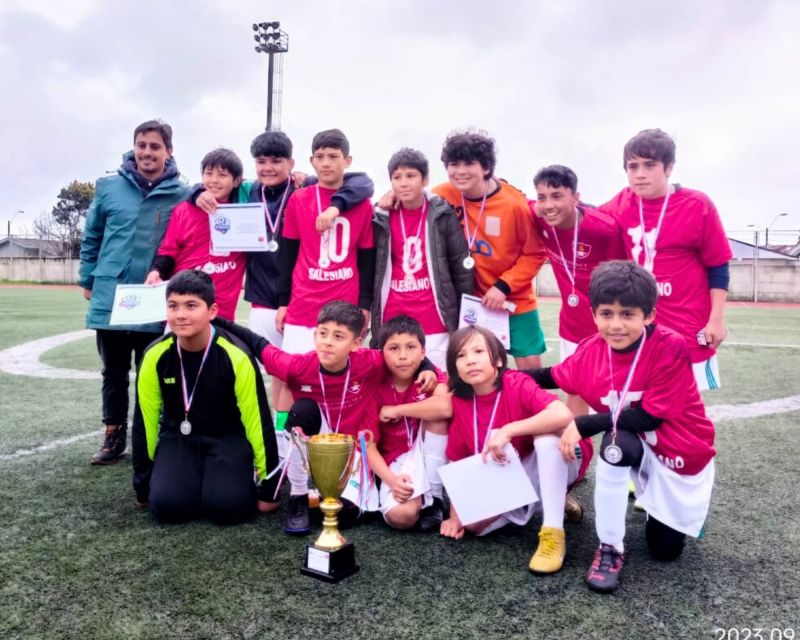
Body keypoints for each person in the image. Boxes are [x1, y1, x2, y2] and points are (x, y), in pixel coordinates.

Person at [527, 261, 716, 593]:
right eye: (607, 313)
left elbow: (649, 418)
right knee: (615, 444)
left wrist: (583, 424)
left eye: (627, 314)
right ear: (594, 314)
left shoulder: (668, 347)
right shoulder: (591, 350)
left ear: (649, 315)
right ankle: (610, 547)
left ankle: (654, 504)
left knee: (665, 552)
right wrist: (498, 374)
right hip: (633, 445)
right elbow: (551, 376)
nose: (616, 324)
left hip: (679, 451)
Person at [192, 131, 375, 433]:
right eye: (261, 161)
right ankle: (281, 439)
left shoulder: (314, 188)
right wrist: (195, 192)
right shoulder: (248, 191)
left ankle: (332, 444)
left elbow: (362, 183)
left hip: (331, 301)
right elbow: (216, 184)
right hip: (277, 299)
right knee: (286, 374)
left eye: (276, 161)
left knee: (335, 376)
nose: (268, 167)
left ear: (291, 164)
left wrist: (364, 304)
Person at [213, 300, 439, 535]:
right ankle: (299, 496)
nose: (328, 341)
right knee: (303, 410)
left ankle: (343, 494)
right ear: (315, 335)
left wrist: (427, 366)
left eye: (339, 336)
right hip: (317, 443)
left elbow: (402, 355)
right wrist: (216, 320)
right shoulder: (299, 366)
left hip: (355, 455)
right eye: (323, 333)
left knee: (345, 516)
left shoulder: (371, 362)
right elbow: (257, 343)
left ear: (356, 344)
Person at [78, 119, 191, 466]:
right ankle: (113, 435)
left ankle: (148, 435)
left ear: (168, 152)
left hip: (154, 299)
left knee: (152, 371)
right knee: (113, 372)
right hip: (111, 295)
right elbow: (92, 236)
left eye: (155, 146)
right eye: (142, 145)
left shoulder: (184, 193)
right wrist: (87, 278)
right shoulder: (109, 187)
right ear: (133, 147)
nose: (147, 152)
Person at [131, 270, 281, 524]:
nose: (180, 314)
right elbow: (144, 423)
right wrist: (143, 486)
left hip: (227, 437)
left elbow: (258, 423)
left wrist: (270, 489)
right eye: (173, 306)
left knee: (228, 510)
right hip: (178, 436)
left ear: (211, 311)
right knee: (167, 508)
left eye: (191, 306)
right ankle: (186, 479)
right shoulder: (155, 355)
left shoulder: (236, 356)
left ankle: (236, 477)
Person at [439, 325, 587, 575]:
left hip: (563, 454)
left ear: (497, 359)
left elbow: (562, 415)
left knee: (545, 436)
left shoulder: (515, 382)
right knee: (473, 524)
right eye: (460, 356)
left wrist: (508, 429)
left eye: (478, 351)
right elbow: (457, 462)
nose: (470, 360)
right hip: (510, 471)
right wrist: (456, 515)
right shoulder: (461, 401)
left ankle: (553, 533)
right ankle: (551, 498)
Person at [598, 129, 733, 390]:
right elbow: (587, 218)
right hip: (639, 325)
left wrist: (716, 320)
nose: (639, 173)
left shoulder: (697, 205)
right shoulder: (622, 201)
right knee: (639, 404)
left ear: (669, 167)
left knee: (686, 410)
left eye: (650, 165)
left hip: (687, 325)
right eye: (632, 166)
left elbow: (718, 265)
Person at [430, 129, 548, 369]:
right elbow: (409, 200)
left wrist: (503, 287)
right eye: (454, 164)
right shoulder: (440, 195)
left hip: (511, 301)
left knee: (531, 371)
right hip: (469, 305)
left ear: (485, 168)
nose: (460, 171)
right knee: (477, 371)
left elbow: (535, 253)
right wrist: (391, 196)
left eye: (469, 163)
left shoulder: (514, 204)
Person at [371, 148, 473, 369]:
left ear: (425, 179)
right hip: (393, 318)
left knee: (437, 384)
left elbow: (460, 268)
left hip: (435, 319)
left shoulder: (442, 215)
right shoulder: (381, 216)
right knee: (394, 386)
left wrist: (464, 319)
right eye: (397, 177)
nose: (403, 183)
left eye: (410, 176)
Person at [277, 129, 376, 356]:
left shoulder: (363, 205)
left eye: (333, 157)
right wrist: (283, 302)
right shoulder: (298, 199)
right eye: (319, 157)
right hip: (303, 304)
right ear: (311, 161)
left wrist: (364, 306)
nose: (325, 163)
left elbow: (367, 259)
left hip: (345, 304)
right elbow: (288, 255)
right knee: (292, 375)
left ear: (347, 161)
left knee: (338, 380)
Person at [531, 165, 627, 360]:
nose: (548, 205)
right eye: (542, 198)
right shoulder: (538, 217)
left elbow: (622, 281)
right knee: (574, 387)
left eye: (557, 196)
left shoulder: (604, 230)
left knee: (608, 389)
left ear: (575, 198)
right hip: (570, 328)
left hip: (605, 328)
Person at [368, 315, 451, 531]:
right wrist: (392, 480)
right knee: (402, 517)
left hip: (426, 453)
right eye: (393, 348)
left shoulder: (430, 378)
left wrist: (397, 410)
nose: (403, 356)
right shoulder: (374, 386)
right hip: (394, 462)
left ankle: (435, 498)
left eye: (411, 347)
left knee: (437, 418)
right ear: (381, 352)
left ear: (423, 352)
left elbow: (445, 407)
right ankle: (387, 487)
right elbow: (368, 446)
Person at [145, 148, 248, 321]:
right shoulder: (183, 211)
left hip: (222, 313)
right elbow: (168, 251)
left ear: (237, 181)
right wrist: (156, 271)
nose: (214, 180)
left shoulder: (245, 215)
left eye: (222, 175)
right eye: (209, 174)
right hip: (183, 309)